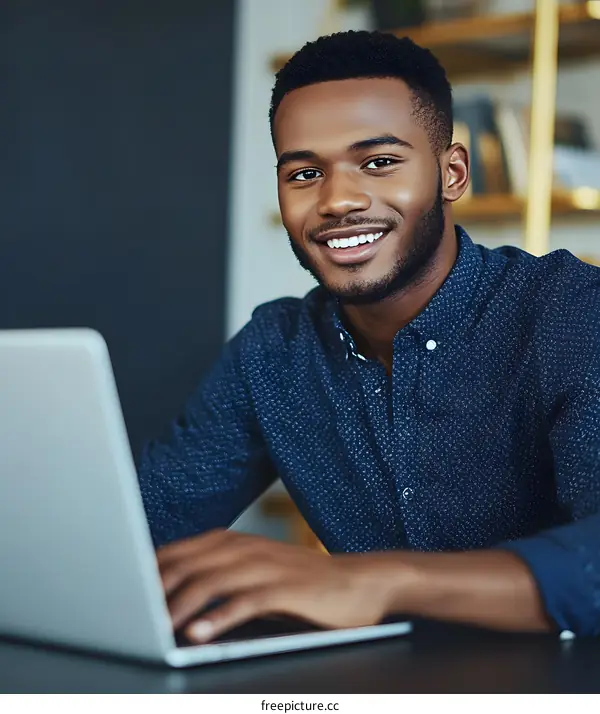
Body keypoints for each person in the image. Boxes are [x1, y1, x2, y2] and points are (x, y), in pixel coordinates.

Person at [138, 30, 600, 644]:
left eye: (378, 162)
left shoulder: (570, 311)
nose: (337, 200)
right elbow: (145, 523)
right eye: (304, 172)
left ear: (452, 173)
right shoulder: (273, 352)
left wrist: (379, 580)